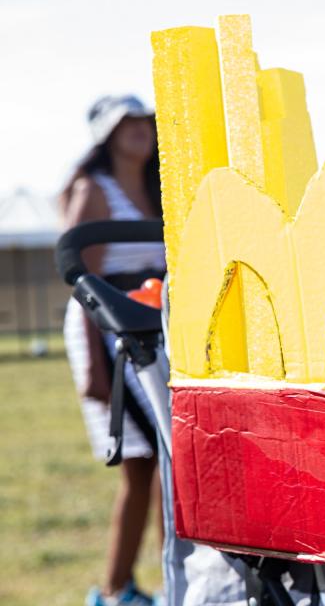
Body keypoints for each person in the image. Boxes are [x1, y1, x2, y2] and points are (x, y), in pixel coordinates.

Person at [61, 95, 166, 606]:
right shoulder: (93, 189)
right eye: (126, 122)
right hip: (106, 329)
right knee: (155, 458)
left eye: (143, 120)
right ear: (105, 132)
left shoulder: (156, 188)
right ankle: (131, 588)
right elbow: (80, 281)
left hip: (153, 327)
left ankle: (130, 588)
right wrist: (96, 368)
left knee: (157, 463)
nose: (139, 129)